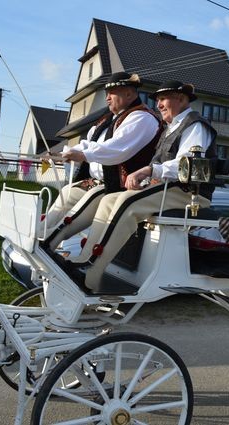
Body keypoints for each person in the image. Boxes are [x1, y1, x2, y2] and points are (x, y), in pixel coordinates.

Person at [63, 80, 217, 291]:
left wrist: (148, 171)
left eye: (163, 99)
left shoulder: (195, 125)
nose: (159, 105)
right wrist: (145, 179)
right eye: (157, 101)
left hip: (190, 193)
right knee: (109, 199)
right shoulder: (172, 128)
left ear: (181, 99)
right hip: (168, 189)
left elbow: (187, 163)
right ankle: (84, 259)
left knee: (128, 203)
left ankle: (91, 273)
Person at [42, 72, 162, 250]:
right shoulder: (108, 119)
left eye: (111, 93)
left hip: (116, 186)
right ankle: (40, 232)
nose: (107, 98)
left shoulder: (142, 118)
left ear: (129, 94)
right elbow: (88, 144)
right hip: (95, 182)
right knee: (66, 193)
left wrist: (83, 156)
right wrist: (66, 152)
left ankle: (48, 245)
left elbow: (116, 149)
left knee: (72, 219)